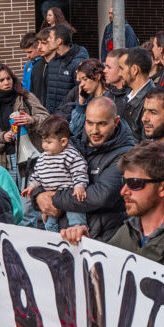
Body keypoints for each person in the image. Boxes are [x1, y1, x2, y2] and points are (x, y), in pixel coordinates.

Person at [61, 141, 164, 270]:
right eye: (124, 181)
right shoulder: (126, 232)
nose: (123, 191)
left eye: (134, 183)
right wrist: (87, 246)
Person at [37, 96, 133, 239]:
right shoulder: (71, 143)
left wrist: (54, 198)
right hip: (62, 235)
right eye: (90, 123)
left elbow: (101, 195)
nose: (94, 130)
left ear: (116, 122)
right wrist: (38, 195)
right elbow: (41, 169)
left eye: (102, 124)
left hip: (101, 238)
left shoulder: (126, 154)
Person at [22, 115, 88, 232]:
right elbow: (37, 174)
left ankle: (79, 237)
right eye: (43, 141)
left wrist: (79, 186)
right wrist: (32, 186)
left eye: (48, 142)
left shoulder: (70, 154)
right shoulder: (43, 157)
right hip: (51, 198)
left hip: (70, 197)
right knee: (49, 224)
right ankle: (53, 241)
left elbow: (79, 171)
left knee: (76, 222)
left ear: (63, 141)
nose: (44, 145)